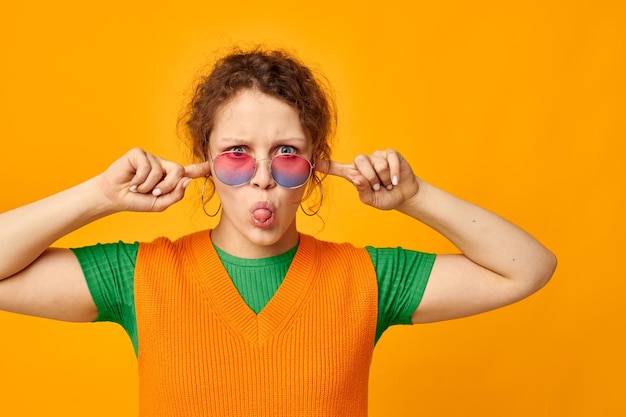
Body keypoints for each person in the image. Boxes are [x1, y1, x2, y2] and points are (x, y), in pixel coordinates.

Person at [0, 47, 556, 416]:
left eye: (287, 153)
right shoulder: (141, 275)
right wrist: (99, 196)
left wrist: (415, 197)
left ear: (317, 164)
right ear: (204, 162)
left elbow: (528, 267)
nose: (262, 178)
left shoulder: (365, 276)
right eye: (237, 154)